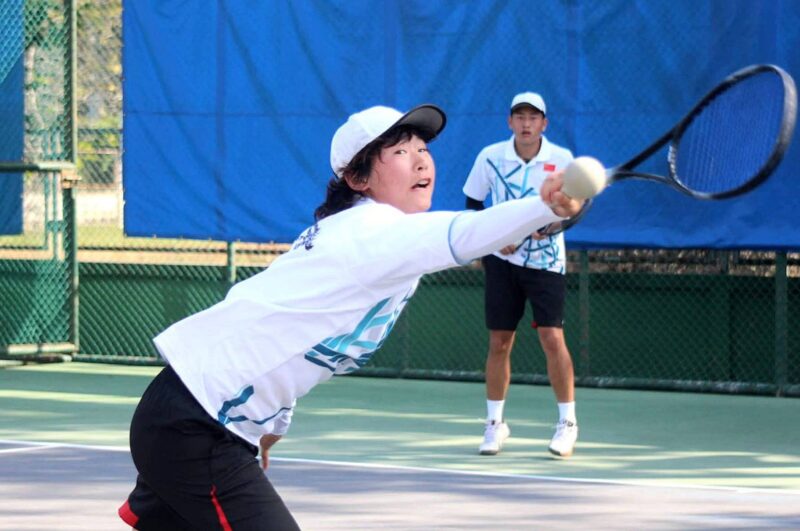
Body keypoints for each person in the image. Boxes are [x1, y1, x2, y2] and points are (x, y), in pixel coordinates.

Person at [118, 103, 583, 530]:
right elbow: (465, 232)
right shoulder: (372, 232)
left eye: (422, 149)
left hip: (187, 411)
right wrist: (541, 205)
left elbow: (291, 331)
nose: (421, 161)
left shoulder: (350, 235)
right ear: (358, 179)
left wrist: (271, 428)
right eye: (400, 151)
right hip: (199, 426)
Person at [463, 92, 579, 458]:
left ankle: (567, 424)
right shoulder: (490, 157)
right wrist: (494, 237)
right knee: (499, 342)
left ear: (544, 123)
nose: (526, 124)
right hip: (502, 261)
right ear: (510, 122)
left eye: (533, 117)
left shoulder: (562, 160)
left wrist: (554, 227)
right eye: (520, 117)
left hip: (547, 263)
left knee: (551, 337)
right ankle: (494, 424)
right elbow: (473, 203)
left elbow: (577, 208)